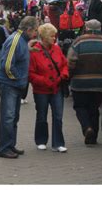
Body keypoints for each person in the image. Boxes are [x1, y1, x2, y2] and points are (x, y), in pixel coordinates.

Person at [67, 19, 102, 145]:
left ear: (86, 27)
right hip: (100, 84)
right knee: (94, 109)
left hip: (80, 83)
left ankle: (87, 128)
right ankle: (93, 136)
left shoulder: (79, 41)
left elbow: (71, 61)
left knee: (80, 107)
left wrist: (70, 75)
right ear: (100, 28)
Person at [0, 16, 39, 158]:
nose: (36, 34)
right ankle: (3, 148)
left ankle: (10, 145)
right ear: (28, 29)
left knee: (13, 117)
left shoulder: (21, 40)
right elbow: (7, 65)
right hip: (9, 84)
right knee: (8, 117)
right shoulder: (15, 40)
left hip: (14, 84)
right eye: (35, 31)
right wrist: (19, 79)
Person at [29, 23, 69, 152]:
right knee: (42, 115)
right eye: (52, 36)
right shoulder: (34, 50)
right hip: (41, 89)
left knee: (58, 116)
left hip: (57, 87)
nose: (54, 38)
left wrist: (62, 75)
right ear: (45, 37)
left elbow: (64, 64)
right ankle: (41, 140)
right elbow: (30, 72)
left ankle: (58, 143)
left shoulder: (57, 49)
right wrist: (44, 80)